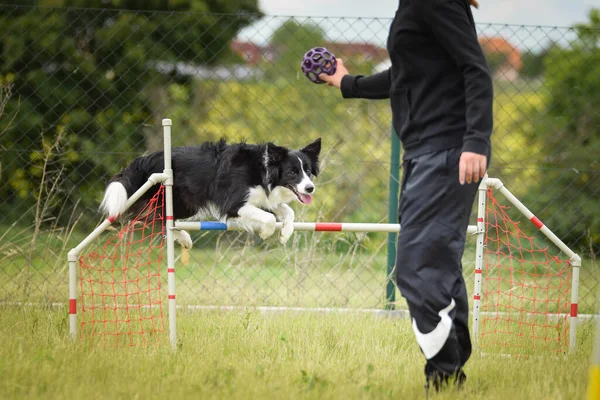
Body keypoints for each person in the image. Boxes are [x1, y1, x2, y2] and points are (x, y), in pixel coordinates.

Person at [319, 0, 493, 393]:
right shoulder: (413, 6)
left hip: (447, 151)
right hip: (425, 152)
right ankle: (450, 372)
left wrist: (477, 140)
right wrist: (349, 84)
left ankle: (446, 374)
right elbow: (411, 73)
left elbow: (475, 68)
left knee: (417, 268)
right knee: (435, 263)